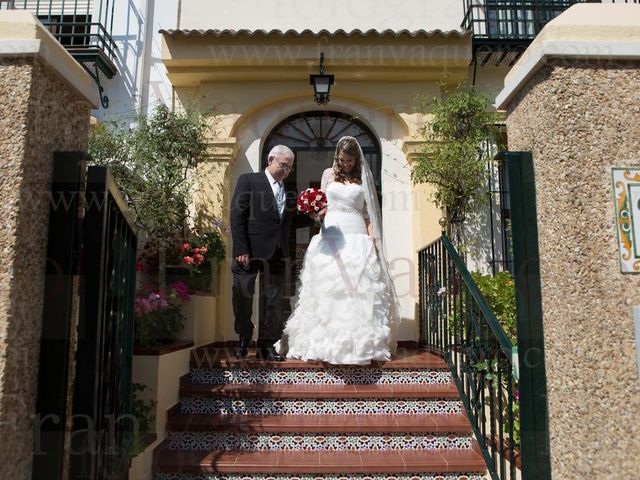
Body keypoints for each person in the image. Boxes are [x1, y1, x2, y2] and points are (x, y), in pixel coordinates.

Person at [276, 136, 401, 365]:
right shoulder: (327, 174)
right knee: (328, 287)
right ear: (337, 157)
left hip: (356, 233)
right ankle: (324, 344)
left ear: (356, 159)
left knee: (357, 289)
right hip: (331, 234)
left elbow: (368, 214)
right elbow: (322, 206)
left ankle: (360, 345)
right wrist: (314, 211)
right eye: (343, 160)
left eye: (350, 160)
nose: (346, 164)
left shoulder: (365, 176)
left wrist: (372, 235)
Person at [230, 145, 315, 361]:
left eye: (289, 169)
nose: (286, 172)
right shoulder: (249, 180)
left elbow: (289, 222)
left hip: (278, 253)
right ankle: (243, 339)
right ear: (271, 160)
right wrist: (241, 248)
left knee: (274, 302)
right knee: (242, 298)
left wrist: (315, 216)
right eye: (283, 166)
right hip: (248, 251)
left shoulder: (290, 191)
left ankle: (266, 345)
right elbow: (237, 215)